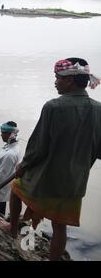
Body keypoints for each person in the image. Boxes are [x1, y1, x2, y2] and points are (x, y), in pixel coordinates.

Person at [6, 58, 101, 261]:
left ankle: (12, 229)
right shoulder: (98, 109)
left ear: (70, 81)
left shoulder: (53, 107)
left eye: (58, 78)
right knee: (60, 225)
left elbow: (38, 147)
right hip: (74, 181)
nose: (55, 82)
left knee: (15, 188)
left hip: (46, 178)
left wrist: (23, 165)